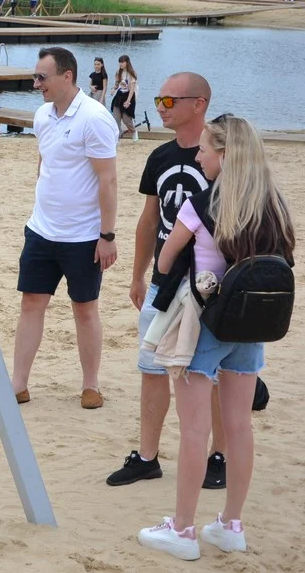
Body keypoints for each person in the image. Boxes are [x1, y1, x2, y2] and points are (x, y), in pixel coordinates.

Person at [137, 114, 295, 561]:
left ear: (224, 155)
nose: (200, 156)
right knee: (240, 426)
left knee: (193, 429)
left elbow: (165, 260)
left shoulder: (204, 203)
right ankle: (231, 524)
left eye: (206, 149)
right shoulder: (273, 204)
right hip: (252, 323)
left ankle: (183, 530)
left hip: (205, 324)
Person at [107, 73, 227, 490]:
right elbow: (148, 220)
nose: (160, 106)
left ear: (199, 104)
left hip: (210, 284)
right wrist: (139, 275)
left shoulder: (220, 155)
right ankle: (146, 457)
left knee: (211, 372)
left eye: (169, 100)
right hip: (164, 282)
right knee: (151, 368)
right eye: (158, 98)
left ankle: (219, 457)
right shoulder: (158, 156)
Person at [0, 47, 117, 411]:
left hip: (83, 236)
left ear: (67, 76)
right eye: (35, 76)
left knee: (85, 308)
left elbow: (108, 180)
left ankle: (90, 385)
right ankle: (18, 384)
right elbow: (45, 160)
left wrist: (107, 235)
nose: (37, 84)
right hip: (41, 230)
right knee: (31, 304)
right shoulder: (42, 115)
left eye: (42, 77)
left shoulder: (95, 118)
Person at [111, 55, 140, 141]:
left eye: (123, 62)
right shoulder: (118, 72)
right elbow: (117, 83)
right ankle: (118, 136)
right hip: (119, 95)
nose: (121, 64)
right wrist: (113, 89)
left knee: (126, 119)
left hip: (129, 96)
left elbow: (132, 89)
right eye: (120, 62)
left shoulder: (132, 73)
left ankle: (134, 131)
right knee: (116, 117)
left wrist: (128, 101)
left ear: (127, 62)